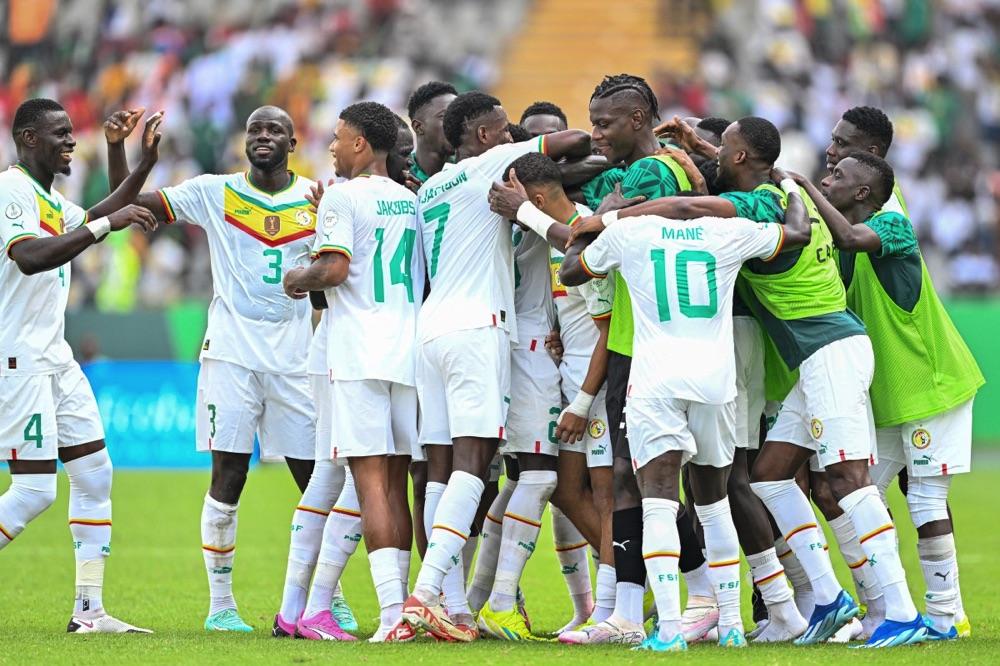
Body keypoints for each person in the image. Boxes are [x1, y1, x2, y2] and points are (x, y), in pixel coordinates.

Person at [560, 166, 812, 651]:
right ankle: (733, 627)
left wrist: (597, 220)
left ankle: (670, 631)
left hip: (655, 380)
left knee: (657, 498)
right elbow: (797, 233)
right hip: (715, 381)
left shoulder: (629, 231)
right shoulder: (727, 231)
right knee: (714, 503)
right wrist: (790, 187)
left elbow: (573, 271)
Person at [112, 105, 320, 632]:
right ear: (242, 142)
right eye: (255, 129)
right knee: (228, 476)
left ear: (293, 144)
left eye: (275, 130)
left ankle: (326, 597)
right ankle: (221, 607)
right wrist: (125, 154)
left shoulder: (320, 198)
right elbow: (129, 205)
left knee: (314, 483)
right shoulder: (213, 190)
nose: (264, 136)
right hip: (230, 353)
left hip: (297, 359)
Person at [399, 90, 590, 642]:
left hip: (430, 330)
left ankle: (455, 608)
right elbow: (572, 141)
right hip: (478, 327)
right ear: (483, 136)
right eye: (504, 131)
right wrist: (533, 152)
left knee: (440, 467)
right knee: (472, 462)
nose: (511, 139)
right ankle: (427, 593)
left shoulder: (431, 186)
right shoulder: (489, 164)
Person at [793, 152, 983, 641]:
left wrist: (801, 185)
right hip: (890, 396)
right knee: (858, 492)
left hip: (932, 386)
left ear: (863, 192)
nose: (826, 174)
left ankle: (943, 618)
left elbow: (852, 235)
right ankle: (885, 611)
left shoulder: (891, 225)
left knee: (924, 499)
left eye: (837, 175)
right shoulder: (837, 250)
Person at [560, 75, 712, 647]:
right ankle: (645, 608)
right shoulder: (659, 168)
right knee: (639, 475)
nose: (596, 134)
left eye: (606, 123)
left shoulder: (650, 174)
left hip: (642, 341)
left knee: (644, 476)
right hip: (644, 336)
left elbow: (580, 260)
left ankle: (675, 602)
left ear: (640, 120)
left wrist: (588, 221)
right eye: (592, 121)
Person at [0, 98, 161, 633]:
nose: (72, 141)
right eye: (60, 133)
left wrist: (136, 160)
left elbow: (102, 215)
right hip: (18, 358)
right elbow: (29, 257)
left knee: (94, 475)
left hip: (55, 357)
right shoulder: (12, 190)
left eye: (72, 133)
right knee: (34, 492)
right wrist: (103, 225)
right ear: (28, 139)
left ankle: (89, 613)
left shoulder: (50, 198)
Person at [283, 101, 423, 643]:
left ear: (361, 144)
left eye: (339, 138)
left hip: (360, 352)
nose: (334, 147)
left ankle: (391, 617)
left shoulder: (342, 197)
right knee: (394, 480)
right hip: (406, 352)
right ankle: (401, 609)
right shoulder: (409, 200)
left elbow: (334, 270)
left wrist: (297, 276)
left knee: (369, 484)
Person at [487, 151, 618, 633]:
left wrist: (584, 401)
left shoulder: (588, 237)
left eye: (517, 204)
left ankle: (614, 607)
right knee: (566, 489)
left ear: (536, 200)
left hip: (598, 387)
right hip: (573, 376)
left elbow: (610, 331)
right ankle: (620, 589)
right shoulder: (556, 241)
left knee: (606, 496)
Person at [402, 81, 457, 557]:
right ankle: (429, 584)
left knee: (478, 469)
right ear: (418, 126)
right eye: (446, 116)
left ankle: (468, 585)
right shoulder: (395, 185)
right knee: (425, 467)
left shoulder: (474, 175)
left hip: (468, 334)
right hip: (411, 339)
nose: (456, 124)